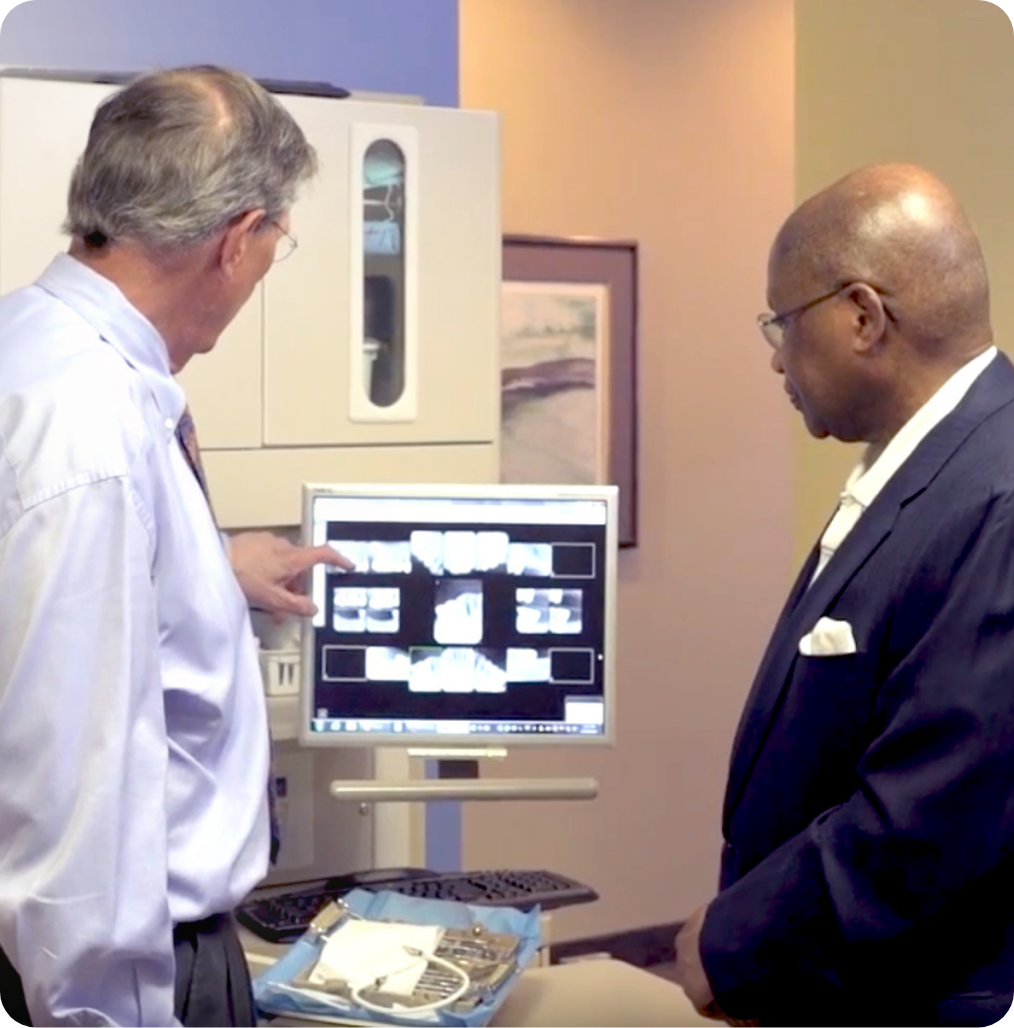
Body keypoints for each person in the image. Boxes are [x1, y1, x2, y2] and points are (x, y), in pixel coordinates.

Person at [0, 66, 348, 1026]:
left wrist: (212, 568)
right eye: (277, 240)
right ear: (239, 241)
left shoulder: (29, 348)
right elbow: (74, 804)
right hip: (127, 972)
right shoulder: (93, 436)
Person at [673, 163, 1014, 1028]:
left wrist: (731, 941)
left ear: (862, 316)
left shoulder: (997, 495)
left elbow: (929, 815)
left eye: (781, 323)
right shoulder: (927, 468)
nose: (774, 355)